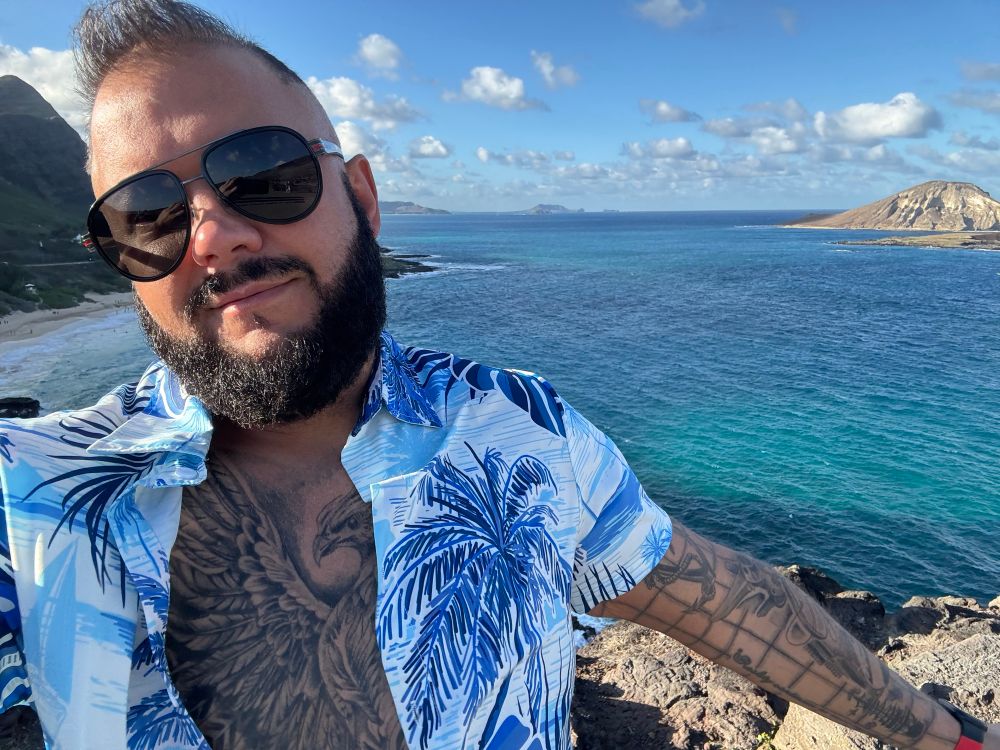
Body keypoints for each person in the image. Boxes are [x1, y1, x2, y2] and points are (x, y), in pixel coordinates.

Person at [0, 2, 995, 749]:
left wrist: (944, 737)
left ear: (363, 198)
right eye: (146, 217)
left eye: (261, 174)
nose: (212, 234)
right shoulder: (35, 500)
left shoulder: (519, 428)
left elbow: (716, 595)